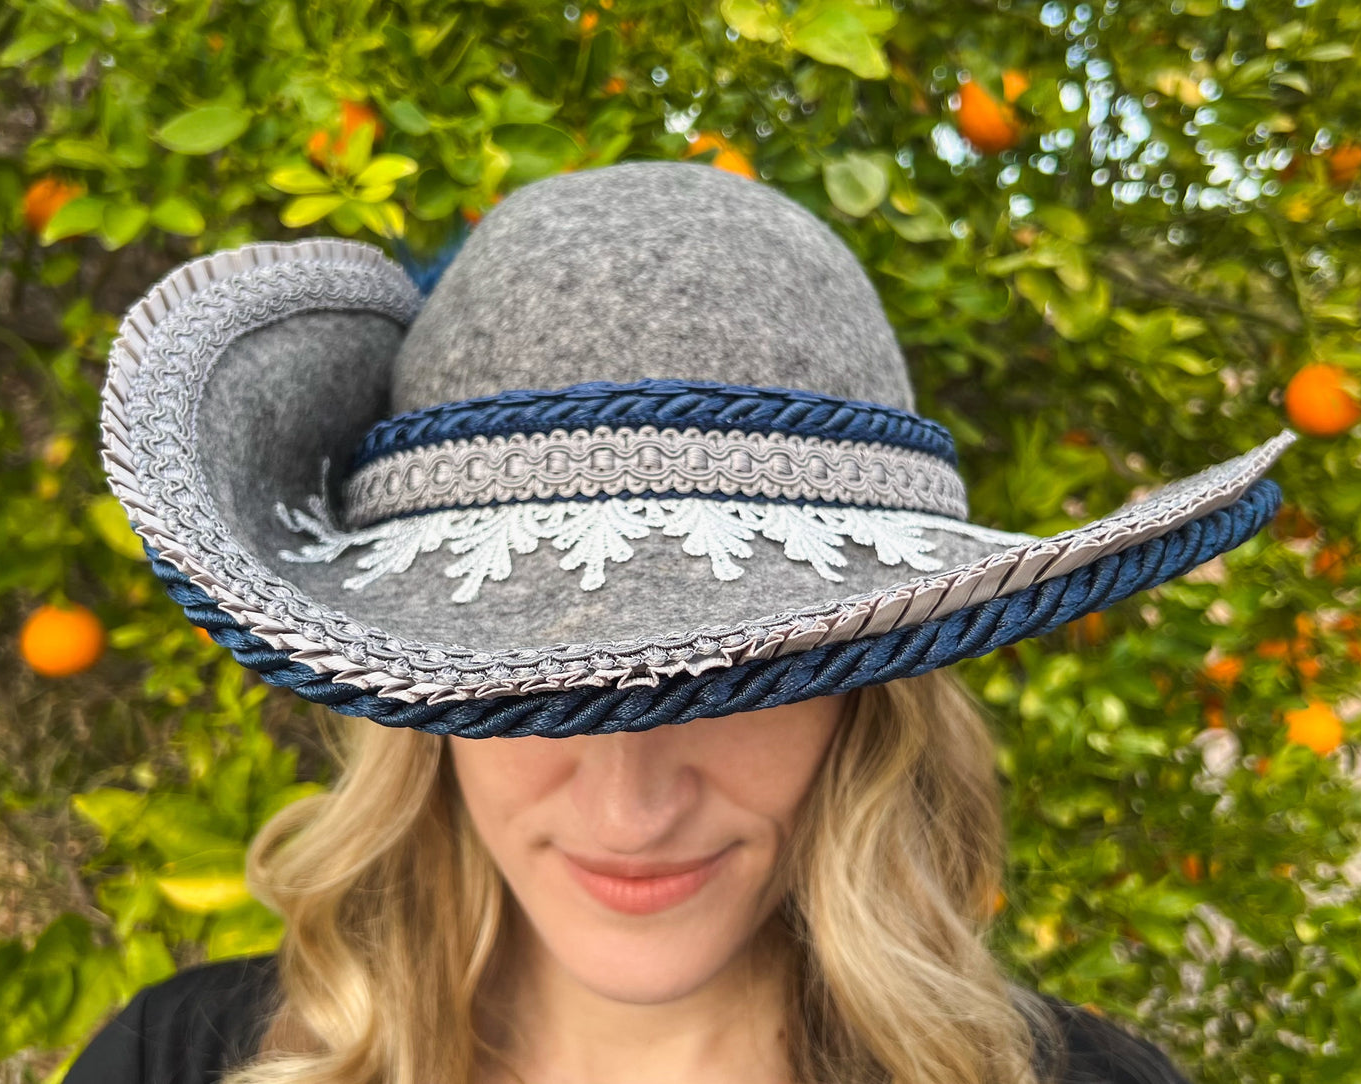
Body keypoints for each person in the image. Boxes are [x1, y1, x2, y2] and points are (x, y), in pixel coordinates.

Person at [67, 159, 1291, 1083]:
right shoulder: (180, 1063)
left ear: (870, 685)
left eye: (738, 680)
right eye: (526, 681)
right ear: (419, 699)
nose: (628, 807)